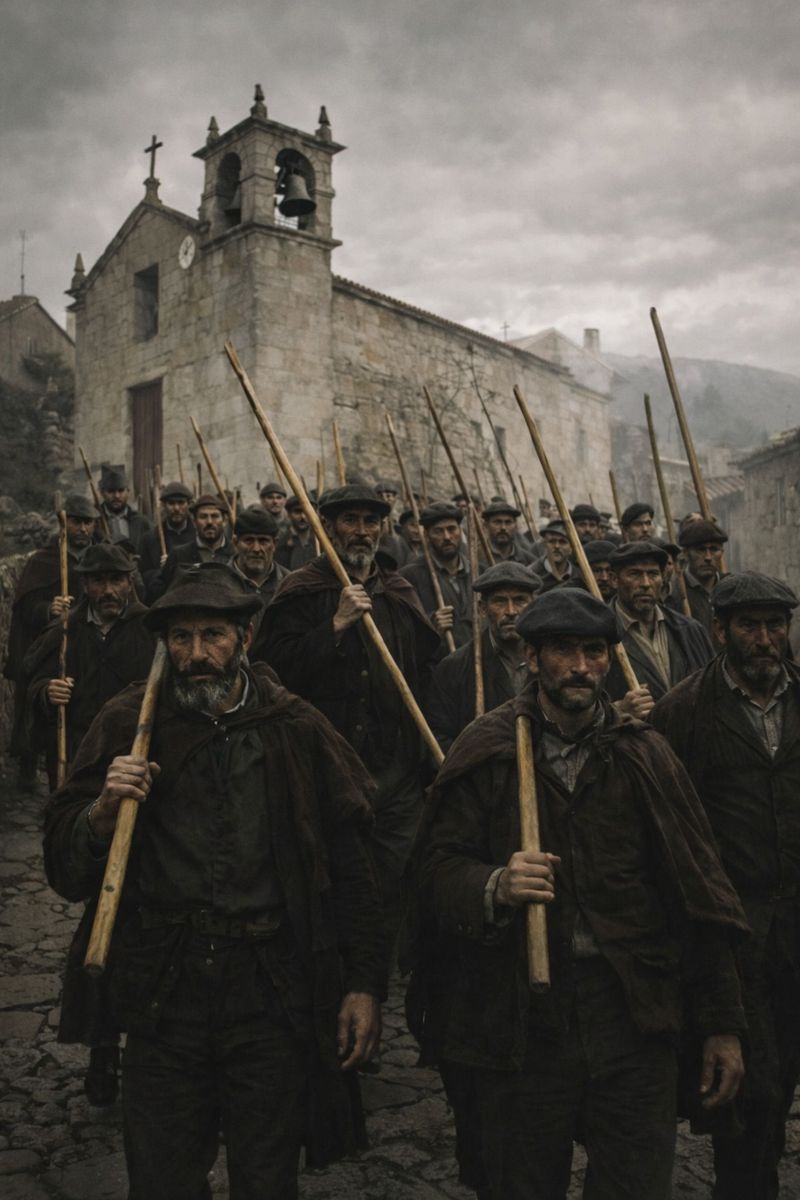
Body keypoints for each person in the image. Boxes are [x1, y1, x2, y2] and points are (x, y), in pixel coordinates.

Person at [43, 563, 384, 1200]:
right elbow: (63, 862)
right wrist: (99, 813)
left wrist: (363, 983)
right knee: (164, 1176)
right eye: (180, 638)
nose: (195, 655)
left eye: (212, 636)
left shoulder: (294, 727)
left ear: (245, 639)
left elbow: (353, 867)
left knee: (265, 1175)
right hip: (162, 989)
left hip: (268, 987)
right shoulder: (128, 726)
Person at [407, 588, 747, 1200]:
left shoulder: (644, 754)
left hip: (632, 1014)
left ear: (611, 662)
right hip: (523, 1020)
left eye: (594, 651)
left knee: (635, 1185)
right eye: (564, 651)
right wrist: (494, 884)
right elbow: (432, 870)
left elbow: (699, 895)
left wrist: (722, 1024)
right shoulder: (488, 751)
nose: (581, 666)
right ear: (532, 659)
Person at [651, 572, 800, 1200]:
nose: (765, 639)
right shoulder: (684, 711)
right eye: (749, 626)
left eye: (776, 625)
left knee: (783, 1074)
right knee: (748, 1092)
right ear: (720, 632)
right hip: (731, 935)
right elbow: (667, 836)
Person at [261, 485, 440, 967]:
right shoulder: (303, 591)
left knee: (395, 866)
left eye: (370, 521)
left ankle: (379, 963)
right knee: (330, 868)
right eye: (349, 520)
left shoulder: (398, 592)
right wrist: (335, 626)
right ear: (327, 527)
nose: (361, 531)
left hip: (392, 766)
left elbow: (427, 674)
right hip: (323, 762)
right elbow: (271, 672)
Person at [24, 542, 155, 1106]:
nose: (106, 591)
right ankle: (103, 1052)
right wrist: (43, 693)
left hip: (142, 776)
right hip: (85, 772)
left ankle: (151, 1047)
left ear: (130, 582)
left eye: (116, 580)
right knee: (100, 915)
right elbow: (25, 679)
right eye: (97, 581)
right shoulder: (66, 634)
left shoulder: (152, 632)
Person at [3, 493, 98, 789]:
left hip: (83, 644)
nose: (83, 529)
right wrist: (49, 608)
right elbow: (23, 607)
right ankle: (29, 765)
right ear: (64, 524)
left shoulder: (99, 558)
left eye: (88, 523)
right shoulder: (44, 560)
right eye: (77, 522)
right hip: (47, 644)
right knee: (38, 701)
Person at [427, 563, 540, 752]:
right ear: (482, 608)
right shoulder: (455, 668)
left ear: (533, 605)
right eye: (500, 601)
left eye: (520, 600)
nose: (511, 611)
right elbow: (438, 738)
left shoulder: (549, 660)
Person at [604, 540, 714, 707]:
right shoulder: (600, 635)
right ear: (614, 580)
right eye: (634, 574)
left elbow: (716, 690)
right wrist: (618, 711)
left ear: (663, 578)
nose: (646, 584)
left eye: (653, 574)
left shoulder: (691, 630)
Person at [401, 501, 473, 648]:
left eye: (452, 529)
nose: (447, 537)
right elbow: (402, 631)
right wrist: (430, 624)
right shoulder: (410, 576)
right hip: (439, 666)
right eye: (438, 531)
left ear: (461, 531)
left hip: (481, 662)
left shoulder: (479, 572)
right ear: (427, 535)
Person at [229, 506, 288, 661]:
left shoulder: (290, 584)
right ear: (235, 542)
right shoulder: (218, 583)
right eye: (248, 540)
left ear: (274, 544)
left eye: (263, 541)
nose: (256, 548)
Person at [150, 493, 232, 600]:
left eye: (215, 516)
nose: (209, 522)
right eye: (203, 517)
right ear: (194, 522)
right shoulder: (179, 555)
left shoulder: (234, 555)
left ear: (224, 521)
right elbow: (159, 592)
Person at [674, 519, 728, 641]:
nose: (708, 557)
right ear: (686, 553)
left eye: (714, 549)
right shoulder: (676, 593)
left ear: (722, 553)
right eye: (700, 550)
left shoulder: (731, 589)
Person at [138, 481, 195, 596]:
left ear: (188, 504)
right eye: (171, 503)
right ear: (164, 505)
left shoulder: (198, 535)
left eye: (181, 503)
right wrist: (162, 571)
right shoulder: (150, 539)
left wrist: (174, 563)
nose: (176, 508)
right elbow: (144, 575)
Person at [98, 466, 152, 553]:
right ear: (102, 493)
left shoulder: (142, 522)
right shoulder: (95, 522)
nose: (117, 496)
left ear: (128, 491)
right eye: (111, 491)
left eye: (121, 490)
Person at [481, 500, 536, 565]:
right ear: (486, 525)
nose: (503, 528)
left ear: (516, 526)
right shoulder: (477, 558)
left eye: (508, 522)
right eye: (497, 522)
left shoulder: (528, 560)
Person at [530, 520, 575, 593]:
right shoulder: (531, 574)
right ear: (544, 545)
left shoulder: (579, 576)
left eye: (562, 542)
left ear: (571, 549)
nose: (557, 546)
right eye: (552, 541)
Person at [275, 495, 316, 569]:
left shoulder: (321, 542)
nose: (303, 517)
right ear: (289, 514)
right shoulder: (281, 543)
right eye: (297, 512)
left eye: (307, 512)